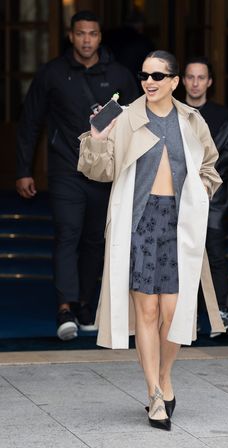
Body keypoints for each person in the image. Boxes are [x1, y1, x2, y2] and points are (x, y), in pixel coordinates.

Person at [77, 50, 225, 430]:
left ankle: (165, 377)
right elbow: (99, 171)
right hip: (139, 222)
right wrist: (96, 138)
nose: (150, 82)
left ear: (175, 81)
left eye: (158, 76)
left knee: (174, 314)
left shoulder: (192, 121)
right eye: (145, 75)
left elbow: (210, 166)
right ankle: (154, 394)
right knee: (147, 312)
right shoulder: (126, 118)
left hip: (179, 224)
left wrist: (201, 192)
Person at [16, 10, 139, 341]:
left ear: (101, 38)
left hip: (104, 171)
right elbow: (30, 121)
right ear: (71, 36)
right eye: (81, 34)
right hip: (65, 169)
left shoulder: (118, 75)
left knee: (94, 240)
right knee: (67, 234)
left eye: (93, 34)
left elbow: (138, 121)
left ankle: (85, 303)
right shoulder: (52, 73)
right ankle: (65, 308)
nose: (87, 40)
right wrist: (24, 170)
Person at [183, 56, 228, 337]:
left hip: (212, 197)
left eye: (201, 77)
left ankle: (220, 315)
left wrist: (203, 177)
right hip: (178, 197)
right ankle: (187, 317)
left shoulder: (221, 114)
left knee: (216, 255)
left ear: (209, 82)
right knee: (183, 257)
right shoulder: (173, 112)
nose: (195, 83)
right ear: (183, 81)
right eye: (190, 77)